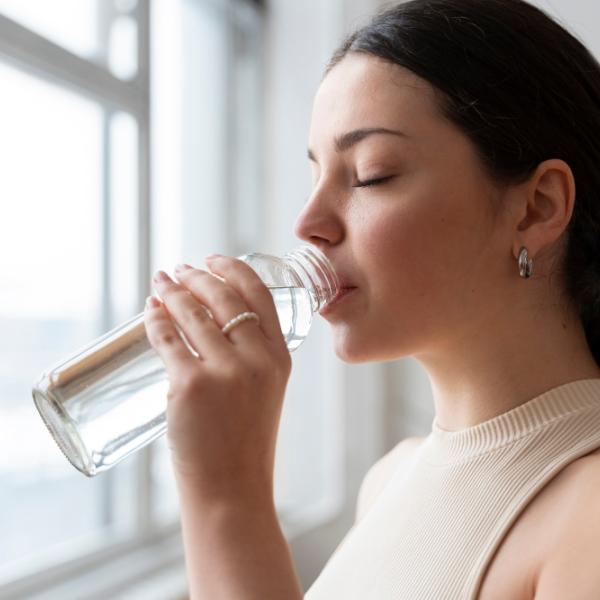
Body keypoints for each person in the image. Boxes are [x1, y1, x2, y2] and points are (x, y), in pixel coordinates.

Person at [143, 0, 600, 597]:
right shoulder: (389, 478)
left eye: (370, 174)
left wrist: (226, 496)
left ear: (537, 207)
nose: (307, 222)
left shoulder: (587, 515)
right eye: (315, 176)